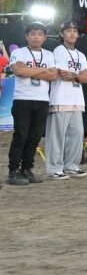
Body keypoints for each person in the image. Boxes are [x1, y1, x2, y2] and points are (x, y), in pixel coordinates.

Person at [7, 21, 56, 185]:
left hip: (42, 100)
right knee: (21, 136)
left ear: (45, 37)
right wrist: (43, 69)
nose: (36, 37)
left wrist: (29, 71)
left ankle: (27, 169)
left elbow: (53, 76)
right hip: (22, 99)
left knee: (35, 137)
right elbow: (18, 71)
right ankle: (13, 171)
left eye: (40, 34)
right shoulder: (19, 52)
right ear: (26, 36)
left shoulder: (49, 55)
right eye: (33, 34)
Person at [45, 20, 87, 180]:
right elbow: (62, 74)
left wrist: (74, 75)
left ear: (78, 34)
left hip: (77, 100)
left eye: (74, 31)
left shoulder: (81, 55)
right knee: (56, 136)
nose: (72, 33)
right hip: (60, 98)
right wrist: (77, 75)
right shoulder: (59, 50)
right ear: (61, 34)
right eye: (68, 30)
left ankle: (71, 166)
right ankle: (54, 168)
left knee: (77, 135)